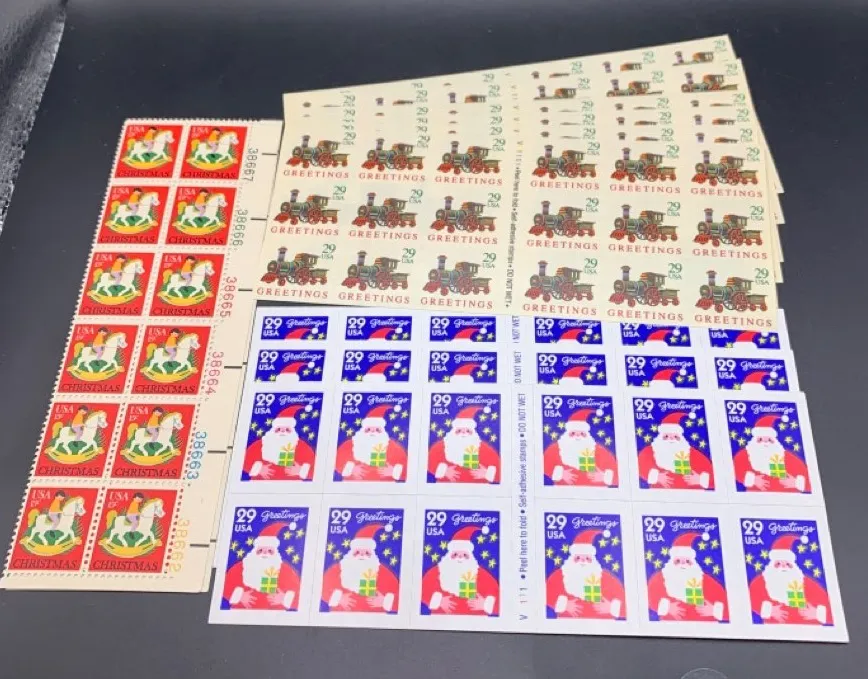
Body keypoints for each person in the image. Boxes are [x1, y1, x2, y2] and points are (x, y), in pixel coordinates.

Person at [749, 534, 830, 624]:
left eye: (787, 564)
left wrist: (817, 613)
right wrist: (769, 610)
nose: (783, 567)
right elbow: (747, 601)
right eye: (778, 564)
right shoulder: (761, 581)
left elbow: (831, 607)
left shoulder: (805, 582)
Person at [647, 532, 728, 622]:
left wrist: (714, 610)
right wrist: (667, 607)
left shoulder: (704, 580)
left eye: (687, 561)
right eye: (678, 561)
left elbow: (730, 607)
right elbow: (648, 599)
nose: (683, 564)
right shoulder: (661, 577)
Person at [545, 529, 625, 619]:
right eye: (578, 558)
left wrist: (611, 607)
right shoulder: (560, 575)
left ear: (593, 560)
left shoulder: (605, 577)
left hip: (602, 625)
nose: (583, 561)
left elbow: (627, 605)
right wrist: (564, 605)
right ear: (571, 558)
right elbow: (543, 595)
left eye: (587, 558)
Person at [421, 525, 498, 616]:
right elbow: (421, 591)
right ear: (449, 555)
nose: (460, 558)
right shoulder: (437, 571)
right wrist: (439, 601)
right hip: (441, 620)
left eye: (465, 555)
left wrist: (485, 604)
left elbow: (499, 597)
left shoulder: (480, 573)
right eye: (455, 554)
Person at [321, 524, 399, 612]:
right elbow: (321, 588)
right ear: (351, 553)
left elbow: (401, 596)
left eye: (367, 553)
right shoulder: (340, 568)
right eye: (357, 552)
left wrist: (384, 601)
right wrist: (339, 599)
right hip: (341, 616)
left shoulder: (380, 570)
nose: (362, 555)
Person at [223, 523, 300, 610]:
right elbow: (222, 586)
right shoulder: (242, 567)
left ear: (275, 553)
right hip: (241, 613)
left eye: (270, 551)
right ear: (254, 551)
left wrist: (284, 598)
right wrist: (240, 596)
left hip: (275, 616)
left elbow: (301, 596)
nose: (265, 553)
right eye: (261, 550)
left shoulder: (285, 569)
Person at [637, 411, 713, 490]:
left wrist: (700, 479)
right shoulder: (651, 450)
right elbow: (639, 467)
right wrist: (656, 477)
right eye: (666, 436)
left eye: (675, 437)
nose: (671, 439)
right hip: (659, 493)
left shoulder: (690, 452)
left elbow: (714, 476)